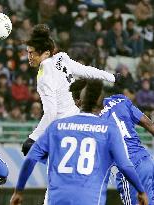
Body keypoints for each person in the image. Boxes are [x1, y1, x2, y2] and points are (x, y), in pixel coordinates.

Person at [10, 79, 148, 205]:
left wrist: (19, 190)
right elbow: (125, 165)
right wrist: (141, 191)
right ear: (101, 103)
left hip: (57, 199)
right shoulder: (108, 129)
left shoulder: (57, 126)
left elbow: (31, 157)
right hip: (90, 199)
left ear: (78, 101)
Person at [21, 24, 116, 156]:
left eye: (32, 53)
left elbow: (51, 112)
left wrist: (33, 138)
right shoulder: (62, 58)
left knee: (59, 172)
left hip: (63, 132)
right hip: (78, 122)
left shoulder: (44, 77)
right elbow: (86, 71)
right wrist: (112, 77)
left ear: (46, 53)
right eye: (27, 52)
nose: (29, 57)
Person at [100, 92, 154, 205]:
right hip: (146, 160)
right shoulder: (121, 101)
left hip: (128, 169)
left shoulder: (90, 115)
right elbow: (149, 124)